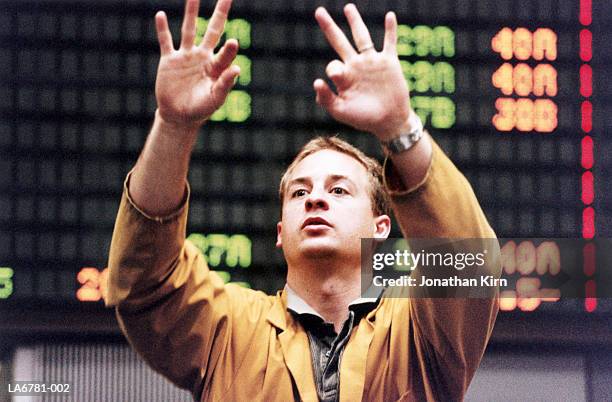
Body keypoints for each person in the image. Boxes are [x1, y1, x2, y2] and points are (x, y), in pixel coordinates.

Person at [105, 0, 501, 400]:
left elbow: (470, 262)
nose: (315, 199)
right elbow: (145, 282)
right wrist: (173, 125)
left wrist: (399, 126)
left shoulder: (419, 333)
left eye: (339, 189)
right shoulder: (228, 330)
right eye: (299, 192)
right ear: (280, 233)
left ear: (380, 227)